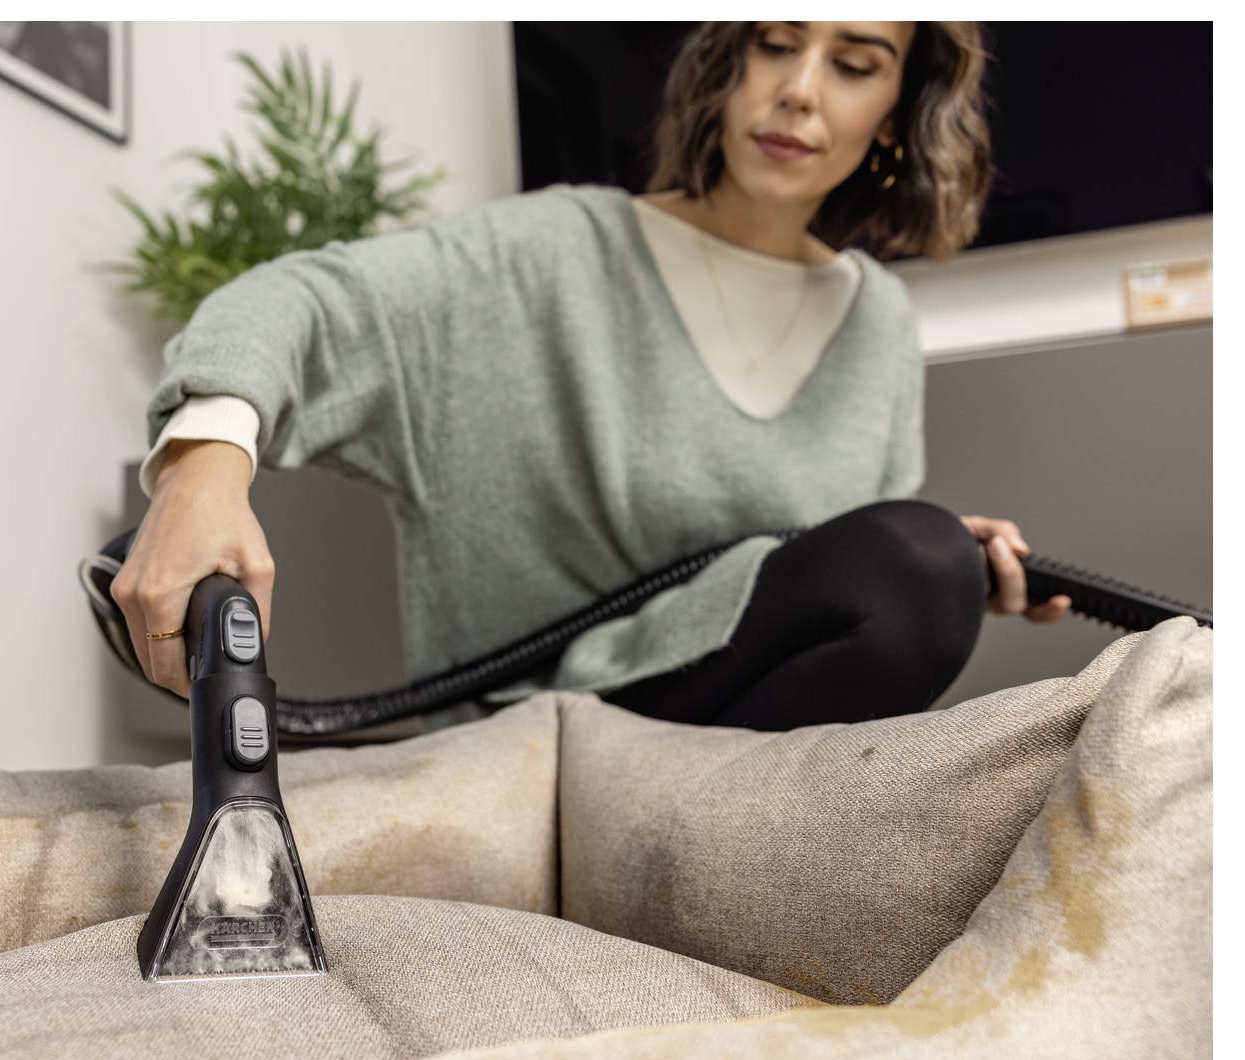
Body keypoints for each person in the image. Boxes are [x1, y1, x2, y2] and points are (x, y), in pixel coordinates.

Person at [114, 21, 1070, 735]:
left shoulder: (879, 322)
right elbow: (298, 301)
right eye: (775, 46)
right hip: (550, 728)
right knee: (915, 557)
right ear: (727, 65)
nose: (798, 92)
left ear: (895, 114)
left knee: (922, 559)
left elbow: (833, 603)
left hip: (753, 753)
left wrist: (938, 563)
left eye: (853, 65)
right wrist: (201, 472)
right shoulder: (552, 252)